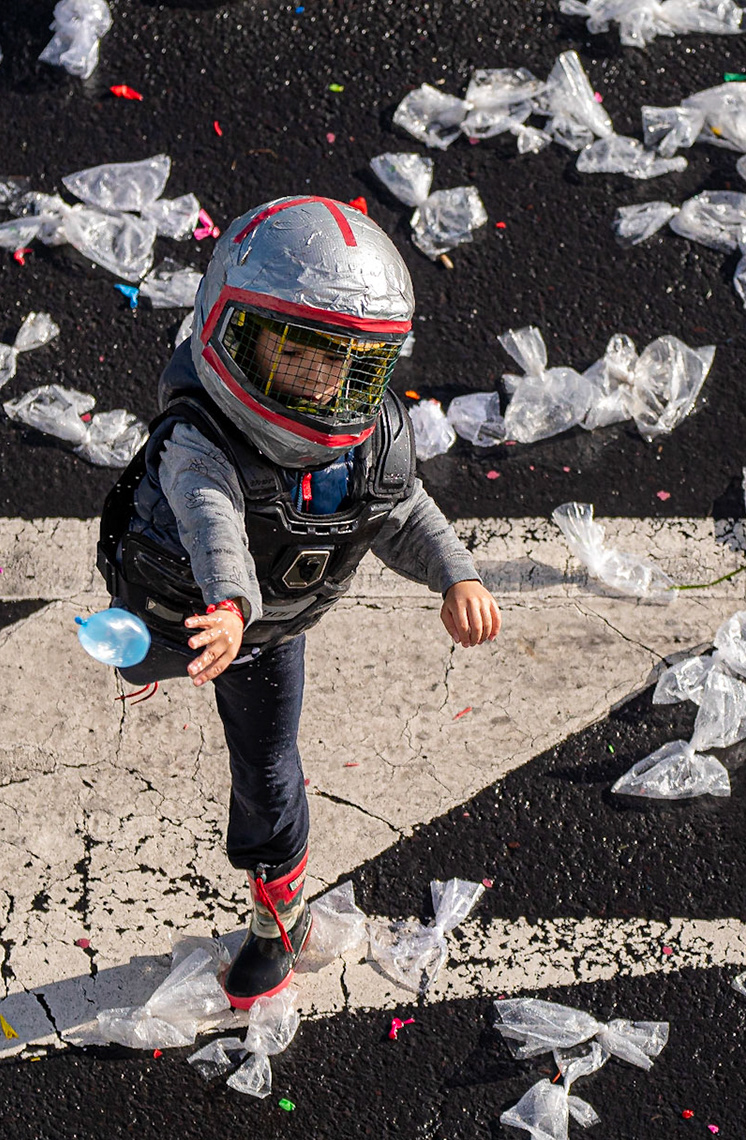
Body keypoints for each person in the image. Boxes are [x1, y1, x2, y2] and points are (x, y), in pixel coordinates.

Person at [98, 195, 500, 1008]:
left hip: (269, 632)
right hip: (210, 605)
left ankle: (275, 930)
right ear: (232, 332)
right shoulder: (198, 438)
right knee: (138, 644)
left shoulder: (368, 439)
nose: (322, 384)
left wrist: (457, 573)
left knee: (270, 774)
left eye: (348, 364)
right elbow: (213, 523)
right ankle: (154, 653)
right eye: (297, 353)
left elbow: (403, 509)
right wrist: (232, 606)